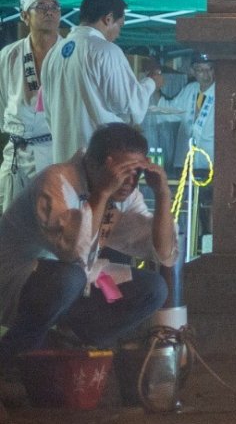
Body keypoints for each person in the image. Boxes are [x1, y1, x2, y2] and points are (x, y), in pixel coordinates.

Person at [0, 122, 177, 373]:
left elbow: (163, 252)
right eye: (122, 172)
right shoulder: (56, 182)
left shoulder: (125, 192)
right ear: (95, 164)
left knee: (153, 288)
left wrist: (162, 195)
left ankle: (73, 339)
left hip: (76, 283)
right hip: (18, 281)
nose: (129, 182)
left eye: (136, 172)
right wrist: (102, 193)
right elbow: (72, 252)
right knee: (69, 278)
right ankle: (11, 357)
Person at [43, 0, 161, 165]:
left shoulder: (53, 54)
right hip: (99, 158)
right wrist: (152, 83)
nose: (119, 33)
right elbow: (129, 106)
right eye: (120, 25)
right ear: (108, 18)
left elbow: (48, 111)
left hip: (64, 158)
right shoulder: (106, 51)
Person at [0, 0, 64, 211]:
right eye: (41, 7)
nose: (50, 13)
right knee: (12, 223)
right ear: (24, 16)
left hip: (57, 149)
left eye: (54, 7)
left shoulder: (70, 53)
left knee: (56, 224)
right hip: (19, 150)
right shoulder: (9, 55)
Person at [146, 54, 217, 173]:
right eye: (200, 69)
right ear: (192, 71)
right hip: (185, 162)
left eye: (209, 68)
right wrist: (155, 87)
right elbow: (167, 111)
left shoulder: (222, 92)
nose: (206, 74)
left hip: (210, 163)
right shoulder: (190, 90)